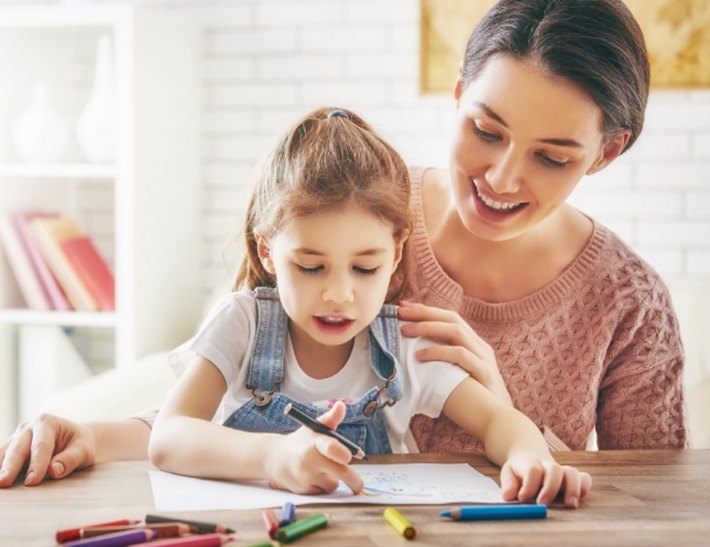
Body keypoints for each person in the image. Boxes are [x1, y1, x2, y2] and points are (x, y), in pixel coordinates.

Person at [0, 0, 687, 489]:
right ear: (456, 96)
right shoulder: (350, 213)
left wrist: (504, 408)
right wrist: (90, 434)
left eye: (553, 157)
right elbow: (216, 407)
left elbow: (658, 503)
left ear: (605, 153)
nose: (502, 176)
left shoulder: (629, 302)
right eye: (486, 129)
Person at [147, 106, 589, 506]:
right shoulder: (242, 323)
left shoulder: (403, 346)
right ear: (267, 253)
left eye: (364, 269)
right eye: (310, 267)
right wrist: (274, 456)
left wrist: (529, 456)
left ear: (395, 255)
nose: (339, 294)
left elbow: (498, 422)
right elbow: (169, 436)